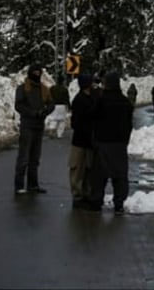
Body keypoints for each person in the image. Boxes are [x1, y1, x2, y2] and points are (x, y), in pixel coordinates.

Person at [88, 71, 133, 215]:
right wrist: (125, 140)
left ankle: (96, 202)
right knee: (119, 176)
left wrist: (94, 139)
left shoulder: (101, 101)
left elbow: (92, 118)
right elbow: (129, 124)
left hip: (103, 142)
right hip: (119, 144)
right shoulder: (125, 102)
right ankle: (119, 203)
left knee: (99, 175)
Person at [14, 64, 54, 194]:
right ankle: (19, 185)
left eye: (39, 72)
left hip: (39, 125)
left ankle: (33, 184)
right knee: (24, 157)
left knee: (35, 158)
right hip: (27, 125)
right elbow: (19, 105)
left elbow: (51, 104)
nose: (37, 74)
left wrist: (45, 111)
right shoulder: (22, 88)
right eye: (35, 72)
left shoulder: (44, 89)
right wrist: (32, 113)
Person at [69, 74, 95, 209]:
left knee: (87, 169)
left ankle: (84, 193)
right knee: (78, 169)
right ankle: (79, 195)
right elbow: (76, 122)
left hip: (86, 140)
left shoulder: (90, 98)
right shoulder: (80, 100)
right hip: (81, 140)